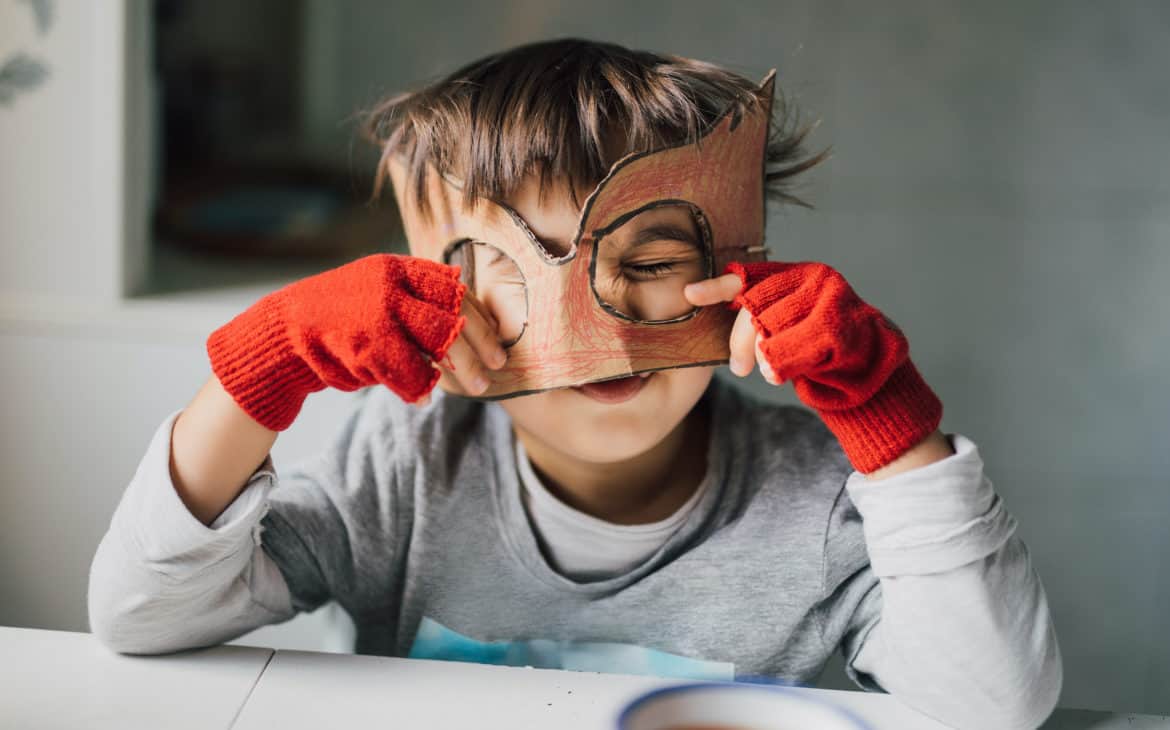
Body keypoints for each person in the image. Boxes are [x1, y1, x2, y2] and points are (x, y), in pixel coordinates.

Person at [89, 39, 1061, 729]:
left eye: (649, 261)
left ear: (740, 277)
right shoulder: (405, 466)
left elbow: (996, 704)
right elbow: (140, 619)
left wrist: (889, 420)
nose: (595, 331)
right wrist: (262, 372)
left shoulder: (815, 500)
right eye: (510, 273)